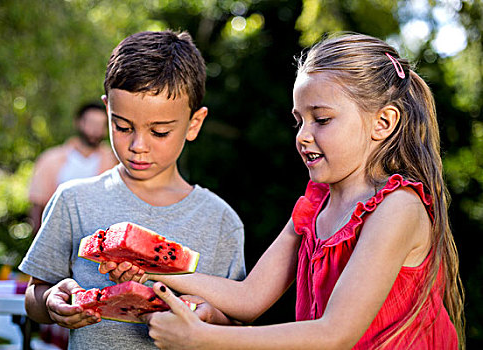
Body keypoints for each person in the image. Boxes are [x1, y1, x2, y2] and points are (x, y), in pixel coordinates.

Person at [134, 33, 465, 349]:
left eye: (321, 119)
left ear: (383, 123)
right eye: (299, 121)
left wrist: (205, 340)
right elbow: (249, 298)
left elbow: (334, 335)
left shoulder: (397, 208)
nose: (303, 135)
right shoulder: (314, 207)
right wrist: (148, 266)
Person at [18, 30, 246, 350]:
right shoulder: (74, 200)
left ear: (194, 123)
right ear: (107, 109)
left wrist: (211, 319)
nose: (138, 146)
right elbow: (35, 295)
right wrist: (52, 302)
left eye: (160, 131)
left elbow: (238, 323)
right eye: (123, 127)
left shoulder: (221, 220)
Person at [28, 102, 118, 234]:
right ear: (79, 123)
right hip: (58, 234)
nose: (96, 130)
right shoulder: (50, 159)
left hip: (98, 239)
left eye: (101, 125)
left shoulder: (114, 161)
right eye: (91, 123)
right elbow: (38, 205)